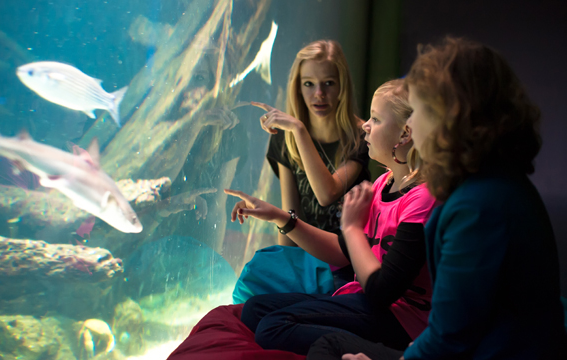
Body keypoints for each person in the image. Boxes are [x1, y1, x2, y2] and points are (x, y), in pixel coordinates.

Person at [307, 37, 567, 360]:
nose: (411, 126)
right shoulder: (495, 185)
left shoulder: (476, 208)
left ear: (451, 117)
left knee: (327, 349)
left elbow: (450, 340)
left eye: (417, 112)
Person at [225, 78, 437, 355]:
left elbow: (382, 293)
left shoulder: (423, 198)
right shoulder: (383, 183)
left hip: (402, 321)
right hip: (368, 302)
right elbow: (343, 253)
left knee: (273, 326)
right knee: (255, 309)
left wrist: (351, 228)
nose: (365, 125)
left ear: (404, 135)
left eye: (375, 119)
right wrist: (280, 217)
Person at [232, 40, 370, 303]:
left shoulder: (361, 136)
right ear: (298, 87)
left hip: (345, 258)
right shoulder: (284, 138)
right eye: (308, 84)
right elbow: (291, 213)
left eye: (328, 83)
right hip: (305, 255)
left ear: (342, 85)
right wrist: (286, 272)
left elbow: (327, 193)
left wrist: (299, 130)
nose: (319, 94)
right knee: (253, 291)